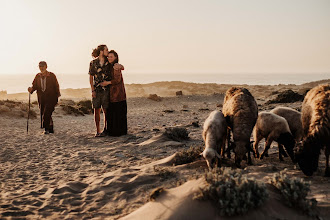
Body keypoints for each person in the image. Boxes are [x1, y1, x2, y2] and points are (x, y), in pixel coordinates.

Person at [89, 45, 124, 137]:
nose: (107, 52)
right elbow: (91, 77)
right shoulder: (93, 63)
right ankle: (97, 130)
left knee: (106, 111)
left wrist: (121, 66)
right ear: (101, 51)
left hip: (107, 90)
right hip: (96, 90)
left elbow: (118, 65)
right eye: (106, 50)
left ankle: (106, 129)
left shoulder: (108, 63)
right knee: (96, 110)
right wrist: (92, 90)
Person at [99, 50, 127, 136]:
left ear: (115, 57)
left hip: (118, 94)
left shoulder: (115, 66)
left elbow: (117, 80)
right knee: (113, 113)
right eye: (108, 57)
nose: (109, 58)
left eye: (111, 57)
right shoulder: (110, 66)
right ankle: (113, 131)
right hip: (112, 94)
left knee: (117, 112)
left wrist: (107, 83)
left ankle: (117, 132)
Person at [28, 61, 61, 134]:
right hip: (41, 98)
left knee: (47, 113)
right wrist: (31, 89)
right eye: (40, 66)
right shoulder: (37, 76)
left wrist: (57, 97)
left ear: (46, 66)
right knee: (44, 113)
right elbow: (35, 86)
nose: (41, 68)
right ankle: (51, 128)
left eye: (42, 66)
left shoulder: (51, 75)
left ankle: (46, 129)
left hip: (51, 97)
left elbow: (56, 86)